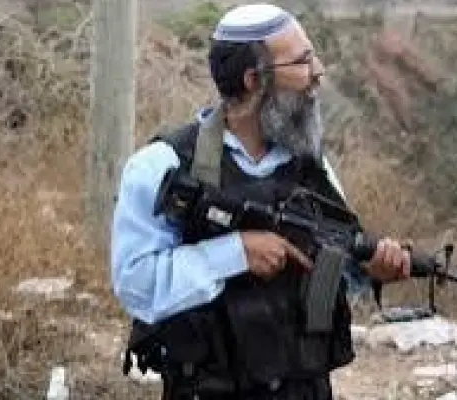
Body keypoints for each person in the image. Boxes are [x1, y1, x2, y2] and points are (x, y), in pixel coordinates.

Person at [111, 3, 413, 399]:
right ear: (254, 80)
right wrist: (235, 253)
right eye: (302, 62)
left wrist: (370, 268)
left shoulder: (312, 168)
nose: (318, 72)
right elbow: (136, 285)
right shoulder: (163, 165)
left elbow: (332, 268)